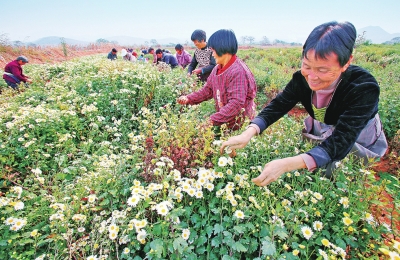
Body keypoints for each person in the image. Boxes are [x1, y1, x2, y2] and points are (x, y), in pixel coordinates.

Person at [220, 21, 388, 186]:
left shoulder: (364, 88)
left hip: (358, 132)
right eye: (306, 66)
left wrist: (286, 165)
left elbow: (342, 140)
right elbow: (279, 105)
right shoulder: (301, 80)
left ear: (347, 62)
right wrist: (248, 133)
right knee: (317, 166)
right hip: (325, 119)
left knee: (346, 174)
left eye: (323, 70)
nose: (312, 77)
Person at [177, 29, 257, 132]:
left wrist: (211, 121)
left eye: (213, 50)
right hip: (226, 123)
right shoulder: (217, 68)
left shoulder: (238, 71)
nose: (212, 54)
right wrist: (189, 98)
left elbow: (236, 104)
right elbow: (208, 90)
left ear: (222, 48)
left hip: (241, 127)